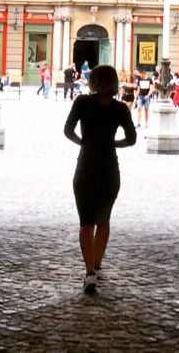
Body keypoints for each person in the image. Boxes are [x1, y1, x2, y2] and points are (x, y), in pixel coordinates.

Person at [63, 64, 137, 294]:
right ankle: (97, 263)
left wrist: (84, 142)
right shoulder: (120, 109)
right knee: (103, 220)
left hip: (86, 167)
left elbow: (68, 130)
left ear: (93, 81)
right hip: (109, 168)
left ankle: (89, 274)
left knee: (86, 222)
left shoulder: (82, 103)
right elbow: (132, 139)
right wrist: (113, 143)